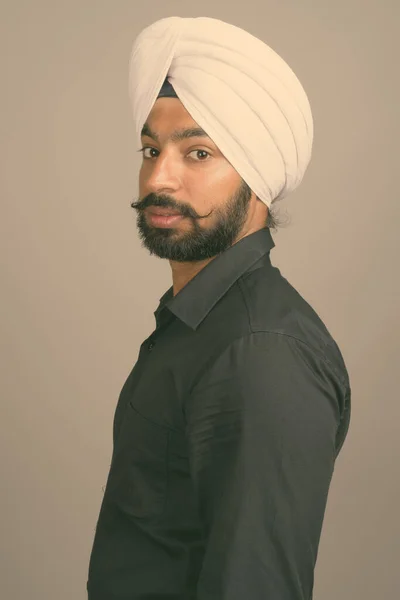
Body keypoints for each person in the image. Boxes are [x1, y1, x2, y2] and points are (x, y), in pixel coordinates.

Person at [87, 16, 351, 600]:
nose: (160, 177)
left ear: (256, 178)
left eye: (198, 152)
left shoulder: (260, 354)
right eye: (151, 148)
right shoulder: (198, 322)